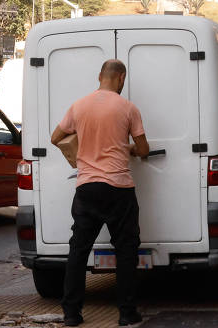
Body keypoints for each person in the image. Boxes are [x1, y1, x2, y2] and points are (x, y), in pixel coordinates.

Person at [51, 59, 150, 327]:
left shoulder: (79, 106)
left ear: (100, 76)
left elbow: (55, 137)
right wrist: (125, 147)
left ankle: (71, 313)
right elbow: (143, 150)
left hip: (87, 187)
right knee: (126, 251)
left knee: (78, 251)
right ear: (120, 78)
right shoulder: (128, 108)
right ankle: (127, 314)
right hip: (119, 188)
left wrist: (82, 147)